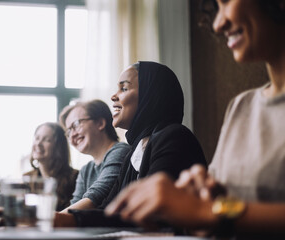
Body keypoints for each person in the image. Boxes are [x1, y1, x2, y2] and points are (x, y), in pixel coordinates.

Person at [105, 0, 285, 238]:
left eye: (226, 2)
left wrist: (211, 212)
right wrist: (199, 196)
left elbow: (214, 213)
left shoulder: (171, 137)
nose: (218, 24)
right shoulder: (242, 106)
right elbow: (215, 208)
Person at [54, 61, 207, 227]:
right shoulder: (134, 153)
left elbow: (148, 212)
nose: (113, 96)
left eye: (124, 88)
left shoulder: (174, 137)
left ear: (151, 95)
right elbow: (109, 209)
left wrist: (69, 219)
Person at [58, 99, 131, 212]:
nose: (72, 135)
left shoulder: (121, 151)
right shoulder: (86, 170)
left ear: (100, 123)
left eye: (76, 125)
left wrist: (51, 220)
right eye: (69, 131)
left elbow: (96, 197)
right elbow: (74, 207)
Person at [23, 122, 79, 211]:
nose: (38, 143)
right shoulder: (27, 178)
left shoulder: (75, 177)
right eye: (37, 138)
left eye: (46, 140)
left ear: (58, 147)